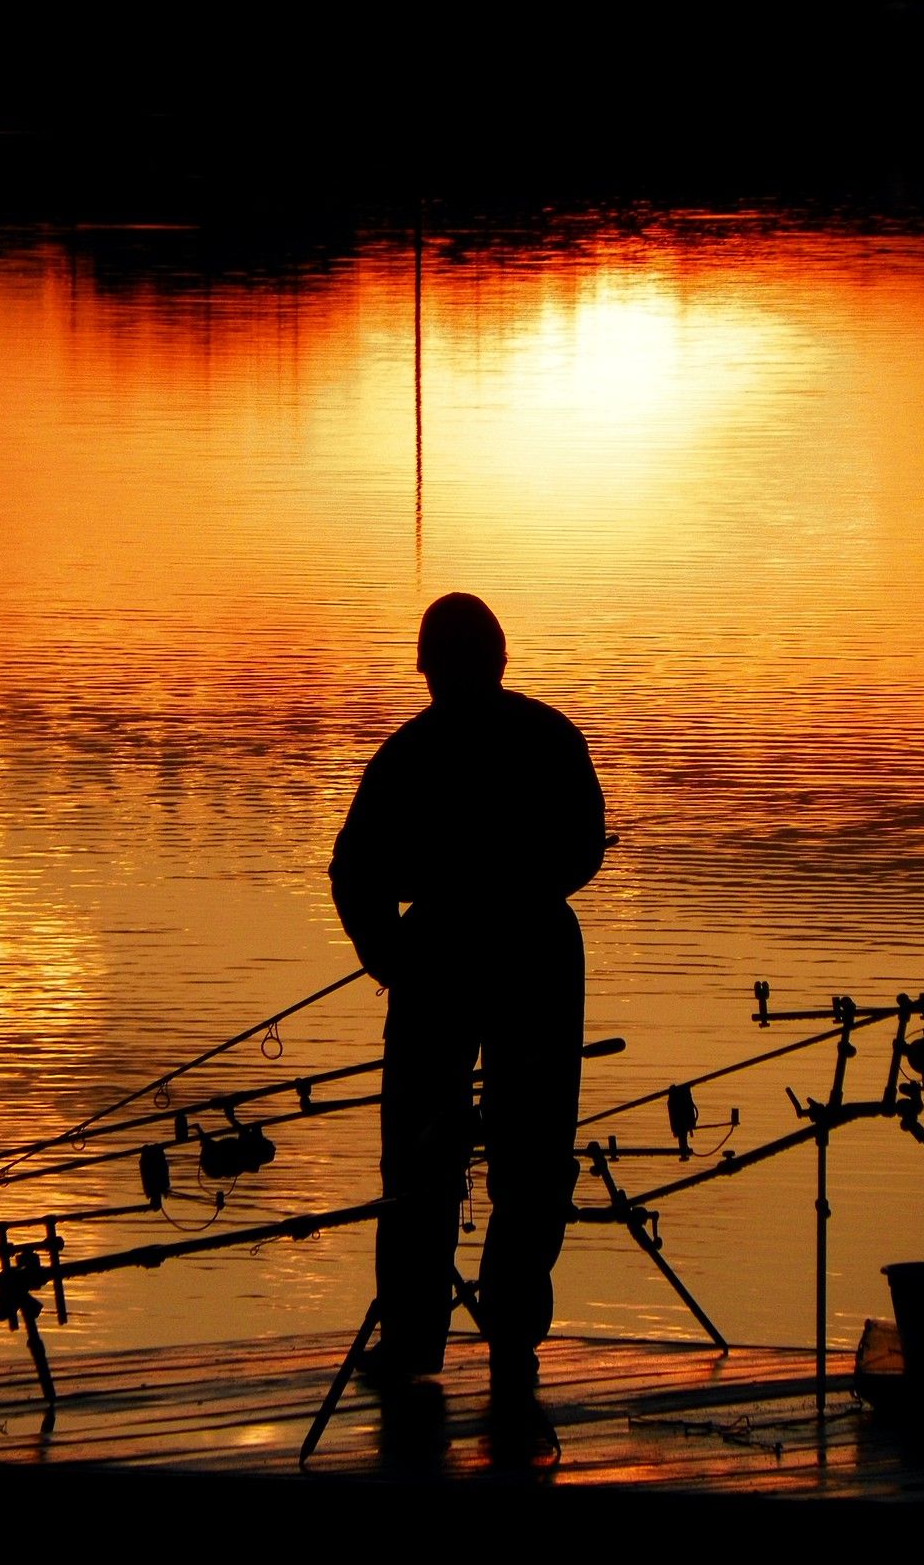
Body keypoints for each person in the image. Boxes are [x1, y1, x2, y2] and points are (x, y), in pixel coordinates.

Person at [329, 593, 605, 1409]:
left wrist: (390, 954)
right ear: (500, 660)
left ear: (431, 669)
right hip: (525, 953)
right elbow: (585, 848)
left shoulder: (410, 752)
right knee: (526, 1147)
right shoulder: (549, 737)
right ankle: (506, 1337)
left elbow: (354, 873)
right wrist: (400, 955)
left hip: (449, 955)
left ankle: (422, 1338)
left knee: (441, 1152)